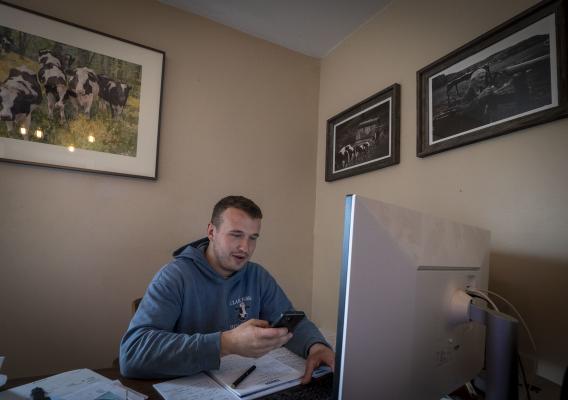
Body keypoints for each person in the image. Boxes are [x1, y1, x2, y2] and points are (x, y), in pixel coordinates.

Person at [119, 195, 335, 382]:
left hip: (245, 384)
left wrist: (316, 346)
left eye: (253, 238)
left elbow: (291, 321)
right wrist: (225, 343)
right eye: (236, 234)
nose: (246, 248)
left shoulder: (257, 275)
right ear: (212, 232)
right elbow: (132, 355)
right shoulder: (174, 277)